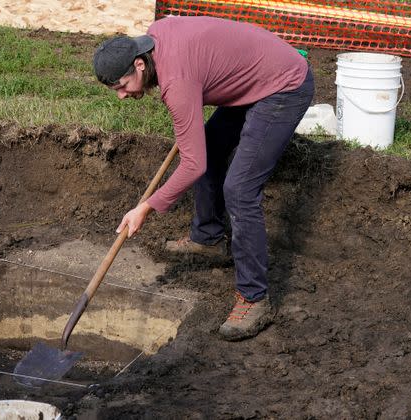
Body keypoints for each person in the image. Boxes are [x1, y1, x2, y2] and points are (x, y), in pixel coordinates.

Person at [93, 16, 314, 341]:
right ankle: (208, 237)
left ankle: (254, 298)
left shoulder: (176, 82)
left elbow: (193, 165)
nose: (122, 96)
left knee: (240, 189)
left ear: (139, 64)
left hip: (283, 86)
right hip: (256, 75)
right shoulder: (157, 36)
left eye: (122, 86)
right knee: (208, 145)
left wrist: (147, 207)